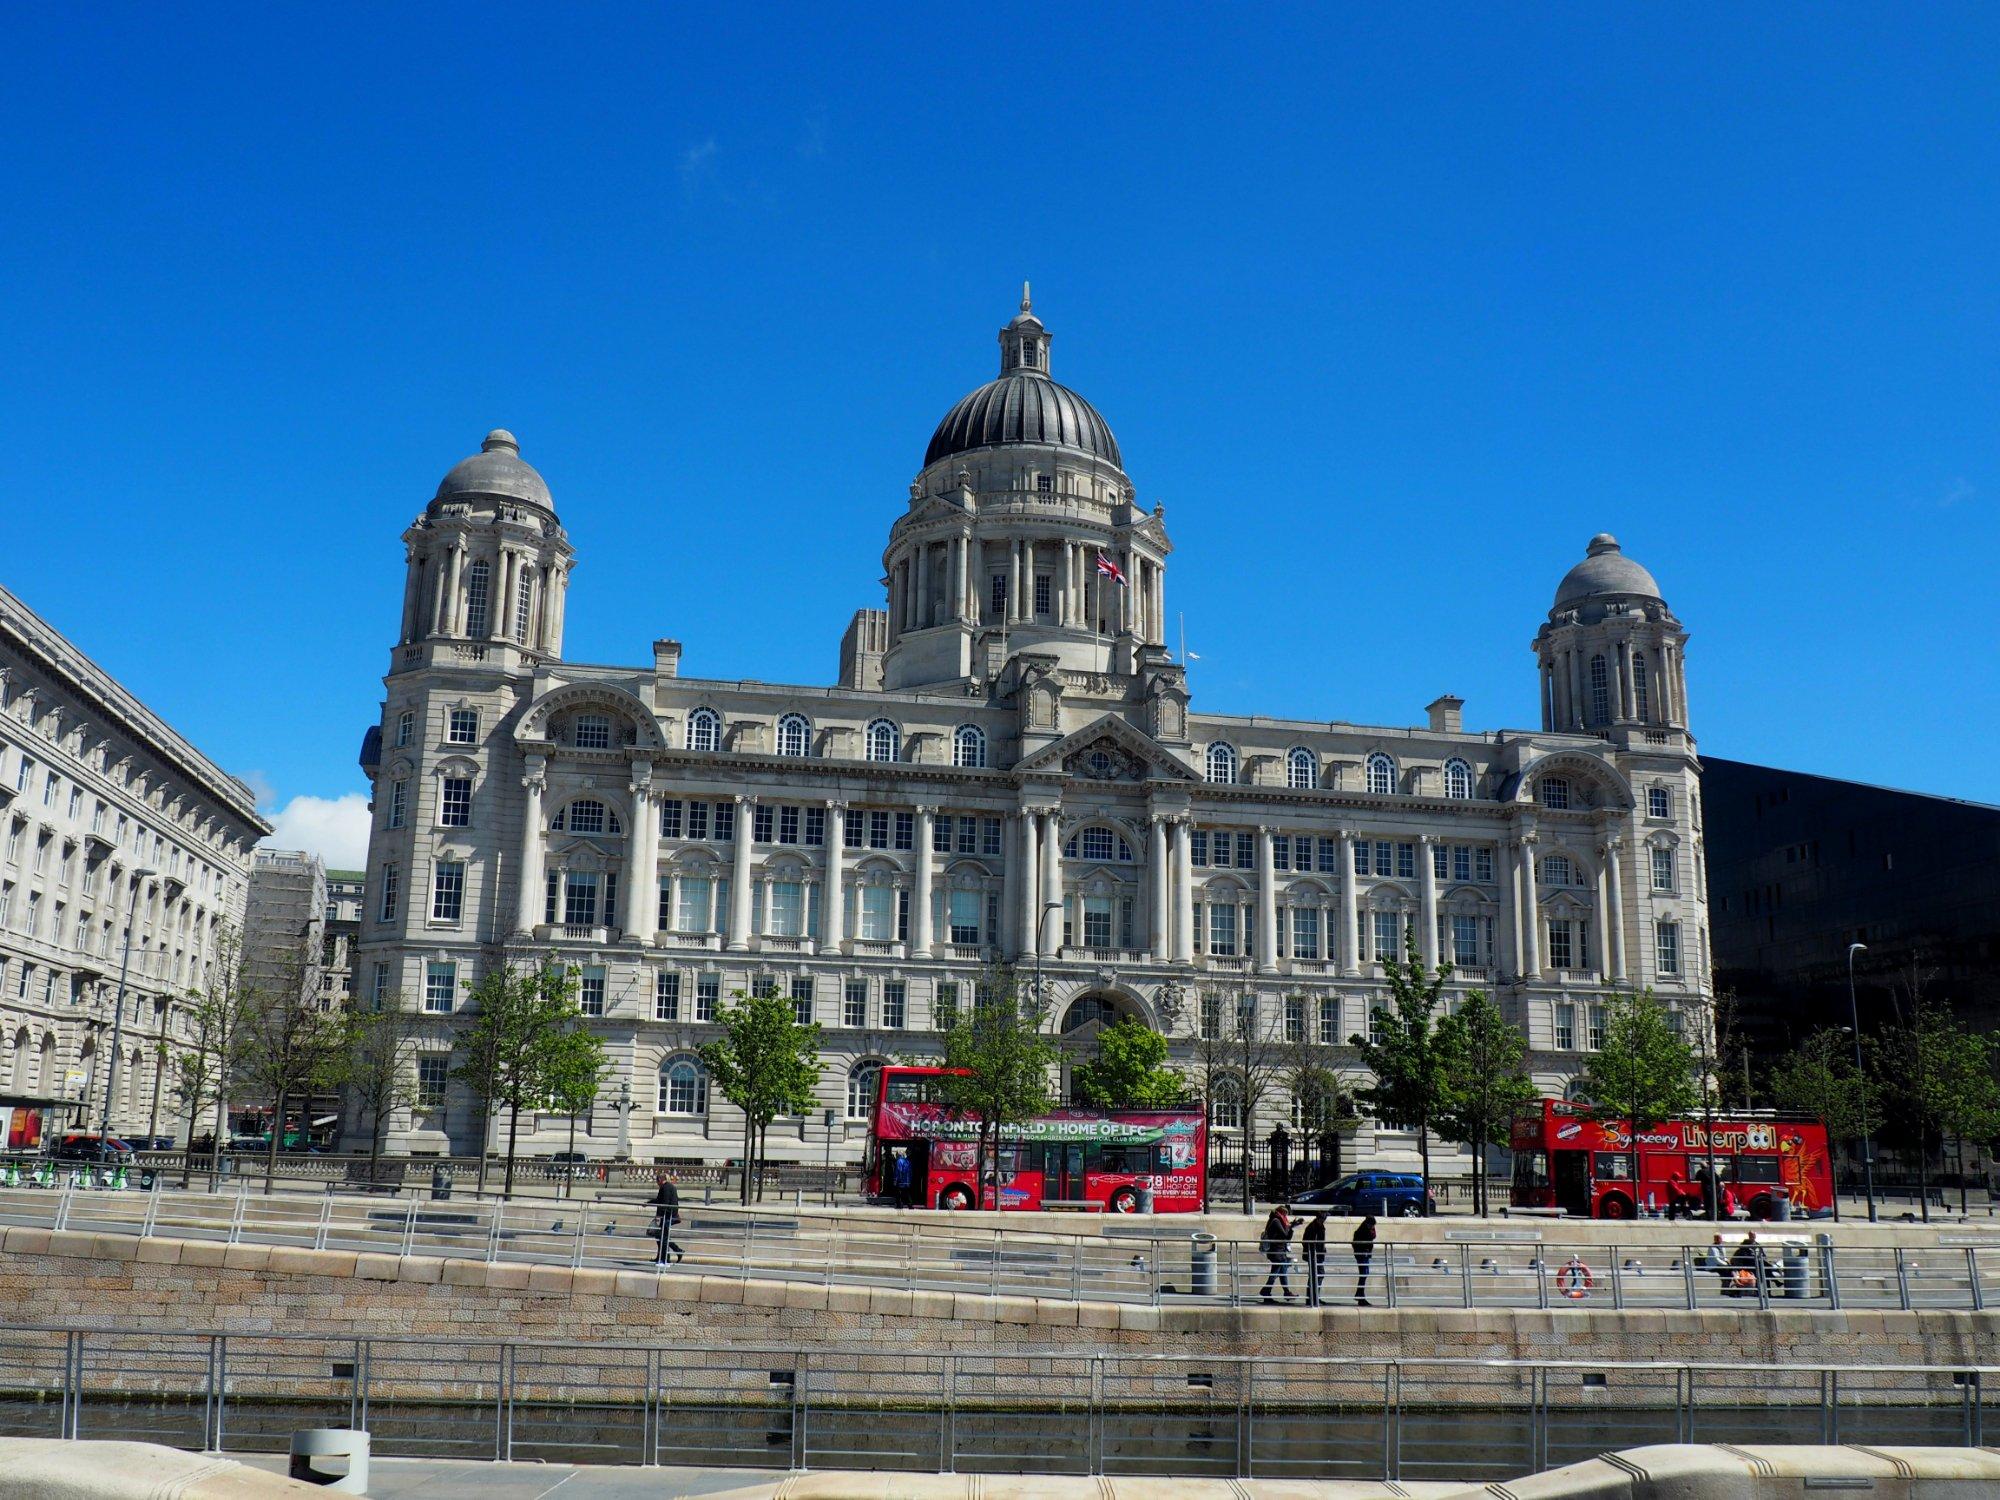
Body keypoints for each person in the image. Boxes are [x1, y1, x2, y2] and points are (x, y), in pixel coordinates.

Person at [1258, 1204, 1296, 1303]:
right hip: (1277, 1252)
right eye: (1285, 1214)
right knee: (1275, 1273)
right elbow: (1285, 1236)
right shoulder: (1276, 1221)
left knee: (1282, 1272)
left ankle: (1286, 1292)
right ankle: (1266, 1291)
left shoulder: (1277, 1220)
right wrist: (1292, 1228)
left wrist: (1291, 1226)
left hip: (1279, 1251)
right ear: (1281, 1213)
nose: (1286, 1216)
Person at [649, 1171, 684, 1266]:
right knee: (661, 1236)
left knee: (663, 1237)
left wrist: (659, 1216)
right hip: (667, 1215)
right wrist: (648, 1203)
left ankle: (664, 1260)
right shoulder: (667, 1187)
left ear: (660, 1180)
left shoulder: (666, 1188)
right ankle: (668, 1255)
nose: (656, 1183)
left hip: (667, 1216)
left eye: (657, 1181)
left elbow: (664, 1203)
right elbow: (659, 1200)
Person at [1301, 1211, 1328, 1307]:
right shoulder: (1313, 1227)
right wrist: (1314, 1250)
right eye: (1323, 1219)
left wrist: (1322, 1249)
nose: (1324, 1221)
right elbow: (1305, 1242)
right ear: (1318, 1218)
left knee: (1316, 1275)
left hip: (1318, 1255)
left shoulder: (1319, 1226)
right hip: (1313, 1256)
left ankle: (1314, 1297)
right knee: (1315, 1275)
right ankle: (1312, 1298)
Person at [1352, 1214, 1378, 1306]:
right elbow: (1371, 1237)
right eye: (1372, 1225)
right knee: (1364, 1274)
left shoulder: (1367, 1229)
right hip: (1362, 1255)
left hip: (1365, 1255)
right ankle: (1360, 1296)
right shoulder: (1361, 1231)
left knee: (1364, 1274)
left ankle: (1360, 1295)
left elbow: (1373, 1236)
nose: (1373, 1227)